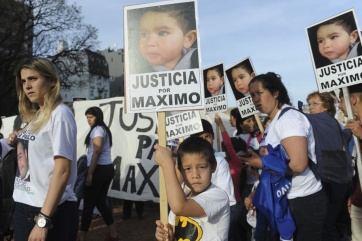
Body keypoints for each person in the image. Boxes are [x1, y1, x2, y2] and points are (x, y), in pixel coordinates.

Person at [242, 72, 327, 240]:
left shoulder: (288, 119)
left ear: (275, 93)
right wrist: (257, 191)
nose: (255, 99)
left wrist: (262, 163)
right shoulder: (273, 122)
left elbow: (298, 164)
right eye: (252, 95)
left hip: (303, 201)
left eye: (259, 93)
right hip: (284, 199)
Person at [7, 57, 78, 241]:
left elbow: (63, 170)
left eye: (33, 79)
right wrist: (15, 138)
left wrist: (43, 220)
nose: (27, 86)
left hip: (50, 211)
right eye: (23, 81)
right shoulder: (36, 117)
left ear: (52, 81)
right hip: (24, 206)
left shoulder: (60, 114)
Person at [154, 136, 230, 241]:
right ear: (180, 170)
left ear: (213, 166)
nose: (195, 175)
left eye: (202, 167)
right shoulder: (184, 195)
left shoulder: (218, 196)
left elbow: (179, 207)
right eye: (187, 169)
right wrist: (167, 236)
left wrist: (167, 164)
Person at [307, 91, 351, 241]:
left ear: (326, 107)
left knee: (326, 223)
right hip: (339, 179)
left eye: (315, 103)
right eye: (309, 104)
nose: (310, 107)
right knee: (332, 221)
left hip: (330, 179)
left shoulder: (319, 121)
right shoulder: (332, 123)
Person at [78, 106, 120, 241]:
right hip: (106, 169)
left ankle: (82, 237)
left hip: (99, 170)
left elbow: (97, 151)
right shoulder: (102, 129)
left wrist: (90, 173)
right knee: (100, 202)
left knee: (88, 205)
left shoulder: (97, 130)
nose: (88, 120)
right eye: (87, 117)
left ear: (98, 117)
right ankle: (113, 234)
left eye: (91, 117)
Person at [215, 114, 248, 241]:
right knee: (234, 234)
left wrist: (220, 124)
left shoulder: (236, 162)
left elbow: (228, 144)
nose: (224, 150)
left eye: (225, 149)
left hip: (233, 205)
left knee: (230, 235)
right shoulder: (221, 162)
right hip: (224, 205)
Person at [138, 2, 198, 72]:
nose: (149, 42)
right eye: (144, 34)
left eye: (162, 33)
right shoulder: (138, 73)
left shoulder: (198, 62)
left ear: (188, 39)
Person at [342, 84, 362, 241]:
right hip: (358, 198)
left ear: (353, 100)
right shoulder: (351, 129)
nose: (340, 107)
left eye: (341, 101)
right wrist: (353, 193)